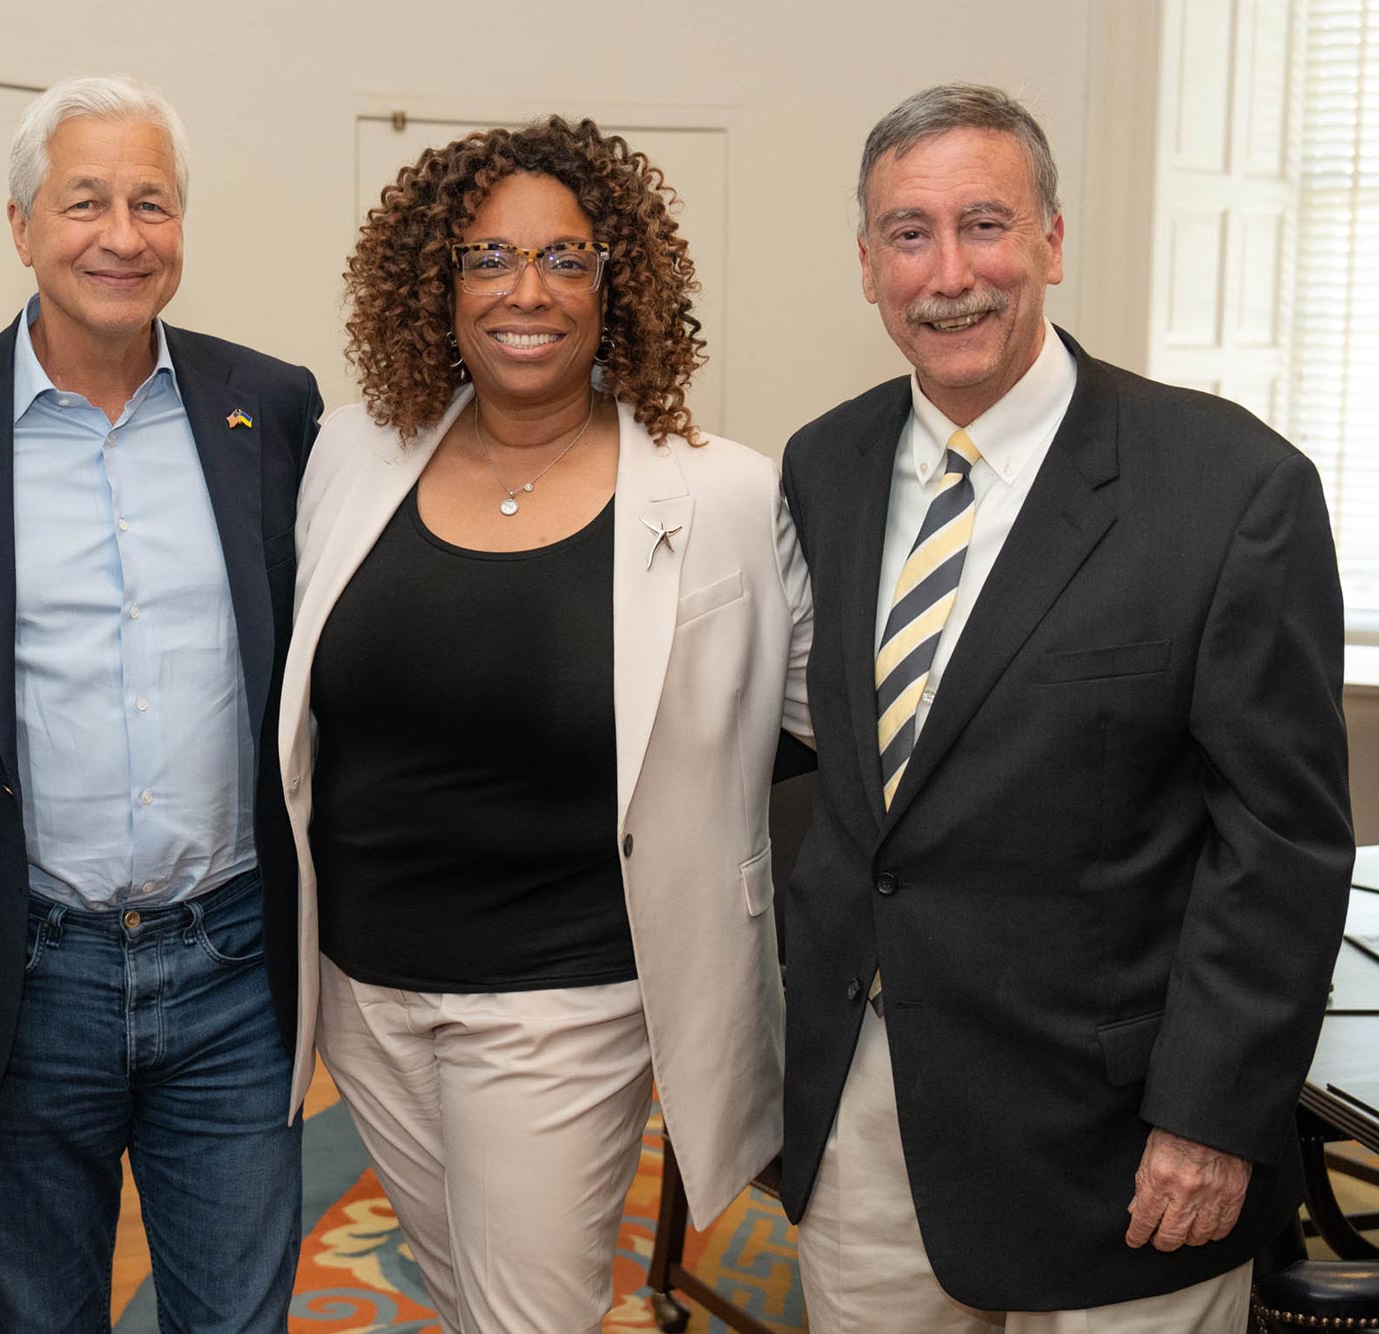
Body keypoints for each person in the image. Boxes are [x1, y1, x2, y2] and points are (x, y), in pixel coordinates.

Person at [777, 83, 1354, 1332]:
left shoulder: (1229, 486)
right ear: (867, 264)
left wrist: (1208, 1113)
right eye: (907, 232)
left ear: (1049, 238)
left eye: (983, 224)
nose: (948, 274)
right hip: (867, 1110)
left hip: (1125, 1141)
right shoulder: (821, 465)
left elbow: (1279, 840)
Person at [277, 116, 812, 1332]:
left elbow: (813, 719)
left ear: (616, 283)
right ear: (437, 283)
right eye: (486, 259)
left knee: (531, 1313)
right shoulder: (353, 454)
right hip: (364, 986)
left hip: (564, 995)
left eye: (566, 260)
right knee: (463, 1284)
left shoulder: (721, 488)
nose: (528, 292)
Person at [0, 75, 321, 1331]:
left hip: (228, 968)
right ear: (19, 227)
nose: (122, 234)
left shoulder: (270, 407)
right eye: (85, 200)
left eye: (150, 202)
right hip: (23, 971)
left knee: (235, 1317)